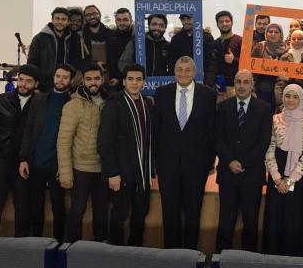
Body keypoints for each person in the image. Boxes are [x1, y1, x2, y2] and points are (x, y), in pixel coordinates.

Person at [154, 56, 217, 249]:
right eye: (179, 69)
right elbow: (157, 130)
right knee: (169, 212)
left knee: (193, 212)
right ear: (174, 71)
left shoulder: (208, 94)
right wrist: (156, 163)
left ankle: (191, 253)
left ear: (195, 72)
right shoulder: (162, 93)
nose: (183, 73)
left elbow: (211, 131)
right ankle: (171, 254)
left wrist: (209, 163)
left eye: (187, 70)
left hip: (196, 167)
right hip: (168, 166)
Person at [0, 64, 39, 237]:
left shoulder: (40, 103)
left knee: (23, 209)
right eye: (21, 80)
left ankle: (21, 248)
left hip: (25, 163)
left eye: (28, 81)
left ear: (36, 84)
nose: (23, 84)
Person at [214, 70, 272, 252]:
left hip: (252, 175)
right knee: (225, 223)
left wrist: (243, 163)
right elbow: (217, 138)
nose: (241, 86)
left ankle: (249, 264)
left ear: (252, 84)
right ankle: (220, 262)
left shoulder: (264, 108)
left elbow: (264, 141)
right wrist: (230, 161)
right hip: (227, 174)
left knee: (251, 223)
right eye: (238, 81)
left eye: (246, 82)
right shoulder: (223, 107)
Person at [98, 63, 153, 246]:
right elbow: (104, 142)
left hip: (142, 174)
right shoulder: (114, 104)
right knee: (119, 215)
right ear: (123, 81)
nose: (134, 83)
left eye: (138, 79)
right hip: (121, 173)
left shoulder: (147, 104)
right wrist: (112, 173)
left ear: (144, 82)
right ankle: (116, 253)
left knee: (140, 214)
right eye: (130, 79)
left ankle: (136, 251)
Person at [19, 64, 74, 241]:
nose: (60, 80)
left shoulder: (73, 102)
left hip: (58, 165)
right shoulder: (39, 100)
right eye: (58, 76)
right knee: (35, 205)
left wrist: (65, 166)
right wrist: (24, 158)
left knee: (58, 207)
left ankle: (59, 242)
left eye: (65, 77)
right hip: (36, 162)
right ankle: (37, 241)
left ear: (71, 80)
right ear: (53, 77)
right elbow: (28, 130)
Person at [57, 63, 110, 243]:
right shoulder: (73, 105)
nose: (93, 82)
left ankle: (100, 248)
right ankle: (72, 249)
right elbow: (64, 141)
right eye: (89, 79)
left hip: (103, 169)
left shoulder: (111, 101)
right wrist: (65, 173)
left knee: (102, 211)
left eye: (96, 78)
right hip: (80, 169)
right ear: (83, 81)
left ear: (102, 79)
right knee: (77, 211)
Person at [263, 84, 303, 257]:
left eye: (295, 97)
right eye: (288, 96)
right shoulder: (275, 119)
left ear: (301, 99)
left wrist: (291, 179)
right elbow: (269, 148)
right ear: (283, 97)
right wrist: (277, 178)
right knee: (276, 217)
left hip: (300, 176)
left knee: (296, 218)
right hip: (277, 175)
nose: (291, 100)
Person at [28, 7, 81, 92]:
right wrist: (35, 86)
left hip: (66, 86)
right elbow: (32, 63)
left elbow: (76, 61)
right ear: (52, 20)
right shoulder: (40, 38)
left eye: (63, 19)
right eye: (57, 18)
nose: (60, 22)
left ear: (68, 22)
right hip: (43, 86)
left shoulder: (74, 38)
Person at [168, 14, 216, 87]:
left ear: (195, 18)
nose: (186, 22)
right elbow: (172, 63)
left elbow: (211, 62)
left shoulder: (206, 37)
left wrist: (209, 82)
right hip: (181, 82)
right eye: (183, 19)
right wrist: (174, 82)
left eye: (189, 19)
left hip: (203, 82)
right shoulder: (176, 38)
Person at [251, 23, 287, 113]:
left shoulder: (286, 49)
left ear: (281, 34)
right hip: (262, 88)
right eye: (270, 32)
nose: (273, 34)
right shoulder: (260, 47)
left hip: (280, 89)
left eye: (276, 32)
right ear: (266, 33)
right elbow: (251, 66)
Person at [80, 5, 117, 84]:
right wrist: (94, 64)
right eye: (88, 15)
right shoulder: (80, 37)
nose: (92, 16)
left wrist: (117, 77)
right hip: (88, 79)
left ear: (99, 14)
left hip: (110, 78)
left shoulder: (111, 35)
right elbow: (77, 59)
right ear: (85, 18)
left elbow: (117, 57)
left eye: (94, 13)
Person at [213, 10, 242, 100]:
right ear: (217, 24)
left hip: (237, 87)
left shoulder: (240, 41)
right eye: (221, 22)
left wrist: (234, 60)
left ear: (232, 23)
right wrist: (214, 84)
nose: (224, 24)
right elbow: (212, 66)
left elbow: (249, 64)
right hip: (219, 88)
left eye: (227, 21)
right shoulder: (214, 43)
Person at [110, 7, 134, 88]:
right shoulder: (110, 37)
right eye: (119, 20)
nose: (122, 23)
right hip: (114, 81)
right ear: (115, 21)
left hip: (133, 80)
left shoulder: (138, 38)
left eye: (125, 20)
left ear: (131, 20)